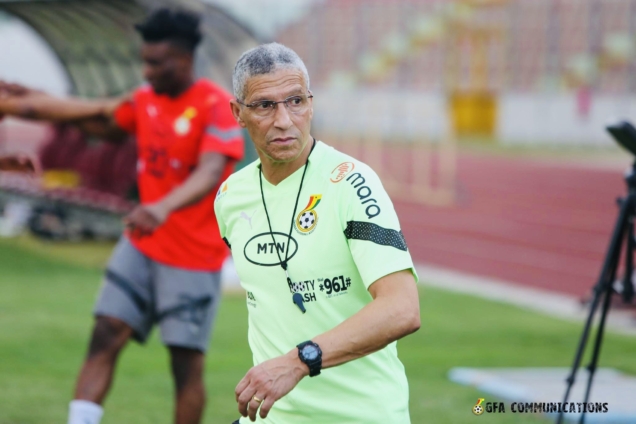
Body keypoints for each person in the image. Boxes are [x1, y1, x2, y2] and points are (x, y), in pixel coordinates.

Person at [0, 8, 244, 424]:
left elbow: (209, 171)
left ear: (184, 59)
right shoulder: (144, 100)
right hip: (141, 244)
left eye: (156, 63)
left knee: (185, 364)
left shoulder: (216, 105)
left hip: (193, 257)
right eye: (144, 61)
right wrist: (26, 100)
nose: (146, 71)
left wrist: (162, 206)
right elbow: (93, 116)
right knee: (104, 334)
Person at [215, 43, 420, 424]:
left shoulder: (352, 184)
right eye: (265, 105)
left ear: (311, 104)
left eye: (295, 101)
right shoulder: (230, 198)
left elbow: (402, 309)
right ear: (238, 113)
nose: (284, 120)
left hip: (360, 418)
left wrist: (298, 361)